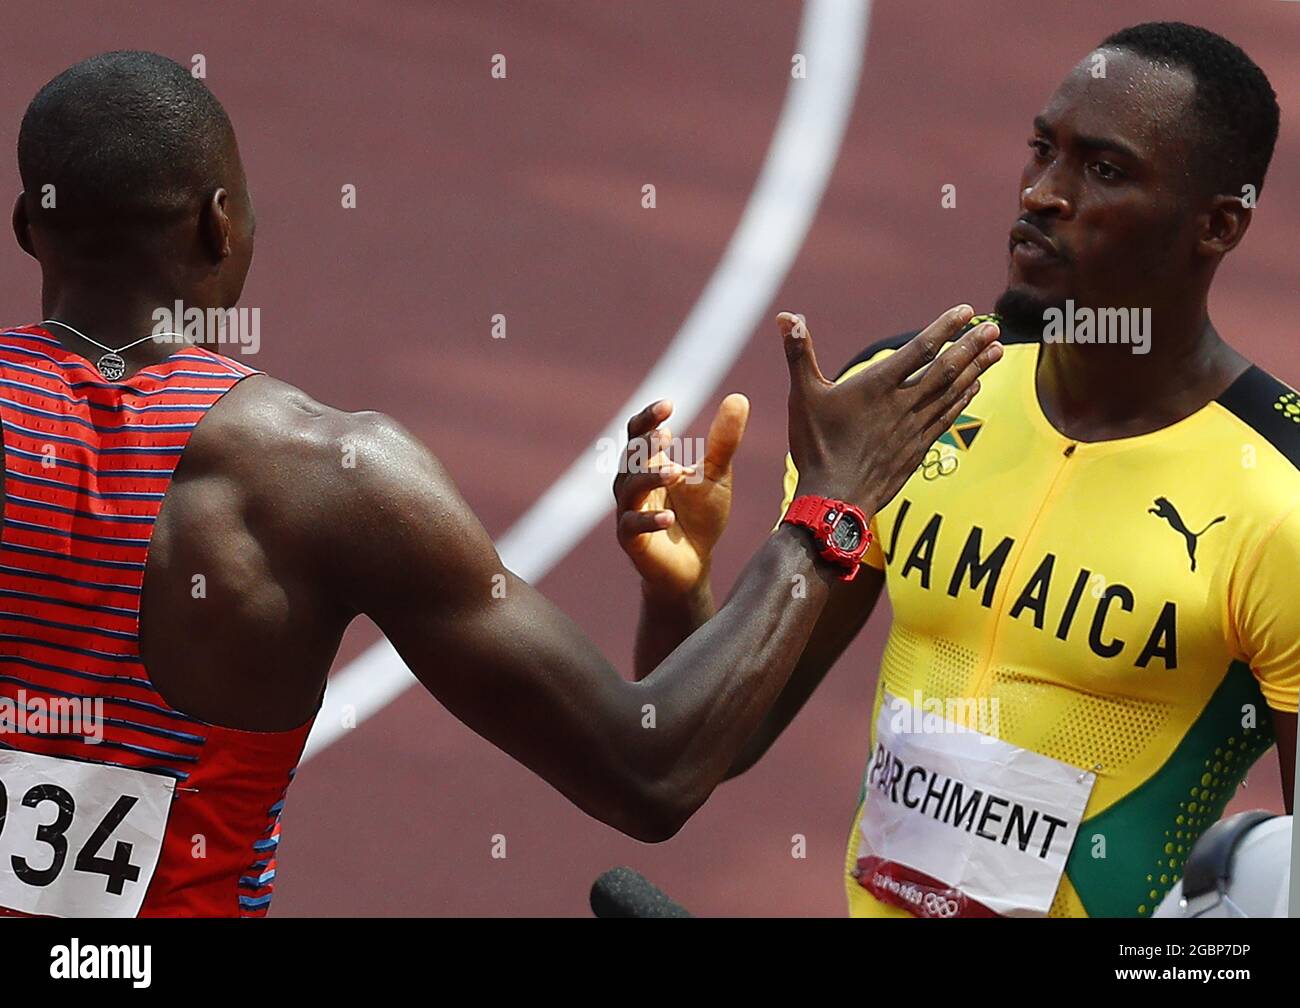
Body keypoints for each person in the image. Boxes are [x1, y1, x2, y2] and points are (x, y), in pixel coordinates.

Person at [0, 51, 1000, 918]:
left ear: (25, 228)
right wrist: (828, 507)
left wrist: (677, 593)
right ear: (222, 225)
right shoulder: (318, 476)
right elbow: (646, 770)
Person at [616, 21, 1297, 918]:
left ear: (1218, 224)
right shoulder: (906, 399)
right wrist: (678, 593)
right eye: (1042, 150)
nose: (1042, 195)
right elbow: (707, 746)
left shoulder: (1277, 494)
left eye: (1104, 170)